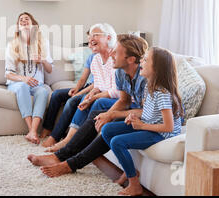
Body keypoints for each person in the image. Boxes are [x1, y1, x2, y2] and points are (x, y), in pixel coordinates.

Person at [27, 34, 148, 182]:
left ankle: (68, 164)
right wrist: (107, 115)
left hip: (149, 117)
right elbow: (124, 100)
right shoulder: (121, 73)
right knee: (98, 115)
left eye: (116, 52)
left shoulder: (145, 77)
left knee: (107, 127)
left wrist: (110, 115)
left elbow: (148, 112)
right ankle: (59, 156)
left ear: (130, 59)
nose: (111, 54)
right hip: (135, 110)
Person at [101, 47, 183, 195]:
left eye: (145, 60)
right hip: (148, 126)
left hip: (161, 134)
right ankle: (129, 170)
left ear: (157, 68)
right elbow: (148, 112)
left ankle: (134, 184)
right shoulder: (149, 87)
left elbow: (169, 127)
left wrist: (142, 125)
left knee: (117, 142)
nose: (141, 62)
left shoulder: (162, 93)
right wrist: (134, 117)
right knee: (107, 130)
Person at [44, 23, 119, 152]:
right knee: (83, 99)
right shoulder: (95, 60)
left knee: (89, 100)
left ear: (108, 37)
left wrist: (91, 96)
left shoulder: (117, 59)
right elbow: (99, 84)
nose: (91, 40)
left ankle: (70, 141)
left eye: (95, 35)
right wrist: (90, 93)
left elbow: (115, 90)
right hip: (99, 90)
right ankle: (64, 138)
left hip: (115, 95)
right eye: (89, 38)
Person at [40, 30, 96, 147]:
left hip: (95, 89)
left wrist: (79, 93)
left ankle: (55, 137)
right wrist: (76, 89)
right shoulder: (91, 57)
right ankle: (47, 128)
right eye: (89, 42)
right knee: (56, 95)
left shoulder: (107, 58)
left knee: (72, 102)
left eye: (93, 42)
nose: (90, 45)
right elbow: (83, 79)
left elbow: (98, 84)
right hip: (87, 87)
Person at [5, 12, 53, 144]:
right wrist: (23, 79)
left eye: (27, 19)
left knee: (43, 91)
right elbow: (8, 74)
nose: (24, 21)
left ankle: (33, 131)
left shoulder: (43, 43)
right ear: (18, 27)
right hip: (17, 83)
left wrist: (42, 60)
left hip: (37, 85)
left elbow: (49, 69)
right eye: (21, 20)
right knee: (22, 86)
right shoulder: (12, 45)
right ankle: (31, 129)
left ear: (34, 25)